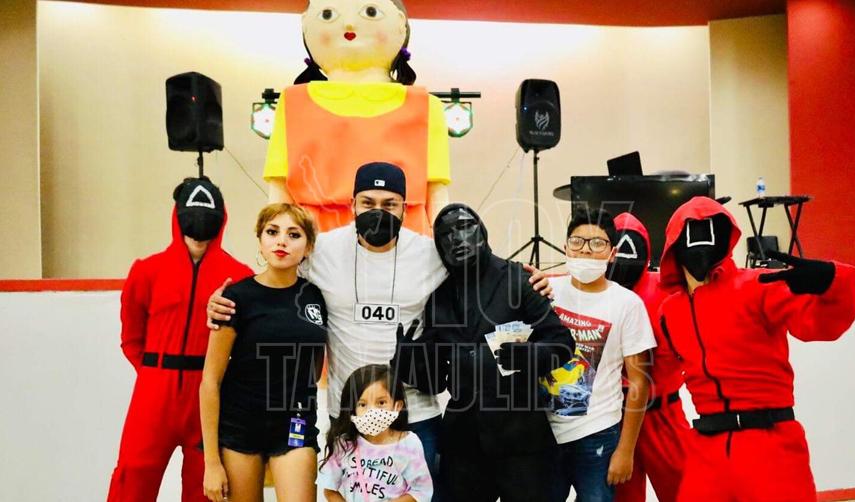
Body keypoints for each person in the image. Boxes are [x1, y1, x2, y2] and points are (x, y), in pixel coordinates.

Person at [207, 163, 556, 494]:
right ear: (352, 205)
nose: (378, 211)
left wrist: (531, 281)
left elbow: (485, 270)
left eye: (389, 204)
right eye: (368, 202)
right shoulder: (321, 250)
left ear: (404, 208)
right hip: (350, 414)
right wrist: (223, 301)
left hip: (415, 415)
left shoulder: (431, 254)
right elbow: (274, 276)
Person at [656, 196, 855, 502]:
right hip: (706, 451)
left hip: (770, 445)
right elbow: (658, 374)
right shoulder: (670, 311)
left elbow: (821, 325)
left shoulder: (757, 286)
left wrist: (834, 280)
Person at [413, 203, 575, 502]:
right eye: (446, 235)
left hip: (522, 438)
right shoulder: (439, 298)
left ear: (482, 231)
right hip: (463, 444)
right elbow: (434, 382)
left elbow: (562, 343)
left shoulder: (519, 279)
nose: (457, 239)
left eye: (465, 227)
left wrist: (531, 356)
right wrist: (410, 359)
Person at [107, 177, 252, 502]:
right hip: (154, 391)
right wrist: (153, 374)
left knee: (205, 486)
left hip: (209, 393)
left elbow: (244, 345)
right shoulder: (147, 271)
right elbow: (131, 337)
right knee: (133, 477)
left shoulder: (239, 277)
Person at [266, 0, 451, 234]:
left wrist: (445, 242)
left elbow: (437, 195)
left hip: (403, 236)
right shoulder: (293, 103)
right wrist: (274, 236)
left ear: (400, 23)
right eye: (328, 14)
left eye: (370, 12)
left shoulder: (424, 106)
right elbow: (279, 193)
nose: (349, 23)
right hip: (314, 236)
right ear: (305, 24)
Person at [199, 203, 327, 502]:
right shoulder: (235, 298)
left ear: (308, 247)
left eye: (293, 234)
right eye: (272, 232)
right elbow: (210, 381)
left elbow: (314, 365)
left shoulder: (316, 296)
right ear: (260, 240)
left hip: (295, 423)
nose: (281, 241)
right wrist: (211, 463)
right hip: (241, 426)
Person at [540, 208, 656, 502]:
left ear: (612, 252)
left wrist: (626, 450)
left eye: (597, 243)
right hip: (543, 431)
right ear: (565, 246)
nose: (586, 250)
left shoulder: (627, 304)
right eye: (577, 241)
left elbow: (639, 382)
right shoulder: (546, 291)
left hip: (598, 433)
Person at [608, 212, 687, 502]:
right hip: (614, 417)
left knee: (684, 492)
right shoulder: (594, 293)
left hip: (662, 413)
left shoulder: (669, 288)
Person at [318, 364, 433, 502]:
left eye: (381, 402)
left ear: (397, 406)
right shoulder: (343, 444)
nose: (372, 411)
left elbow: (421, 490)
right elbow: (329, 489)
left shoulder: (409, 444)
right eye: (362, 404)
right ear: (352, 408)